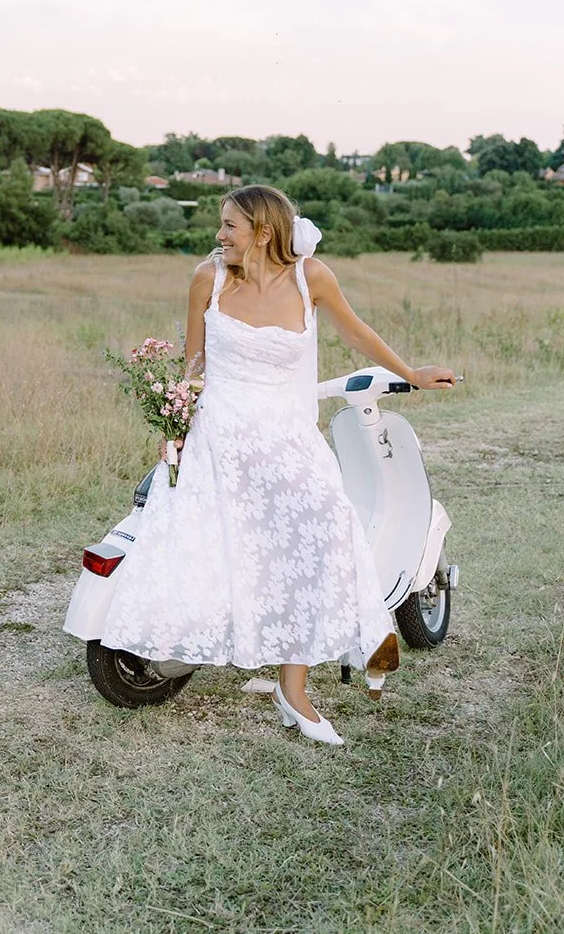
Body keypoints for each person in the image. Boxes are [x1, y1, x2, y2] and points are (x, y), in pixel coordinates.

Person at [94, 185, 456, 745]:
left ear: (263, 231)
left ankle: (294, 689)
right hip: (222, 438)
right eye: (220, 225)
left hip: (289, 437)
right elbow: (194, 365)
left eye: (229, 227)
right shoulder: (206, 279)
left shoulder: (313, 278)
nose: (219, 236)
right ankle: (213, 656)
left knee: (323, 535)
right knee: (225, 550)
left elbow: (356, 330)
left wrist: (411, 371)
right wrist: (177, 432)